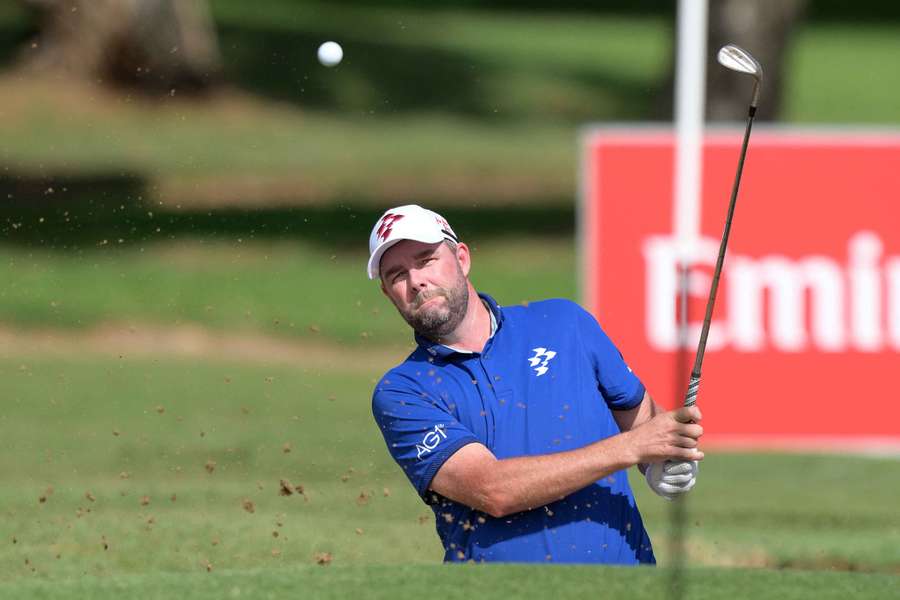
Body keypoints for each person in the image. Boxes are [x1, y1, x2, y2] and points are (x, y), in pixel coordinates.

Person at [368, 204, 703, 564]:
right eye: (397, 274)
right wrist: (632, 448)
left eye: (426, 259)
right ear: (388, 293)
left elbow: (643, 423)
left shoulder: (564, 322)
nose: (416, 280)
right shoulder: (403, 391)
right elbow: (492, 489)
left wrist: (664, 461)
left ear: (461, 258)